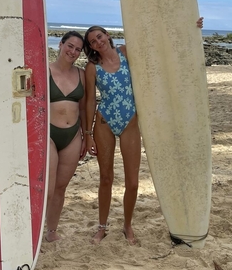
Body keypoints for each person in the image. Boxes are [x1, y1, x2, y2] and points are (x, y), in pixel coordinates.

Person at [84, 19, 203, 245]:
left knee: (133, 182)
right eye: (92, 42)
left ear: (107, 35)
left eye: (99, 37)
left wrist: (189, 26)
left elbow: (157, 45)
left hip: (130, 121)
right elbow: (90, 101)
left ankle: (127, 224)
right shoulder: (92, 67)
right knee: (106, 178)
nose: (97, 42)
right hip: (104, 122)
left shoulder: (126, 52)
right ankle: (102, 227)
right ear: (91, 47)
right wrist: (88, 133)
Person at [46, 31, 87, 242]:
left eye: (78, 49)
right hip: (49, 135)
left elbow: (86, 107)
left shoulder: (81, 74)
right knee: (48, 188)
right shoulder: (45, 70)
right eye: (70, 46)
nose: (73, 51)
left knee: (61, 187)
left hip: (73, 135)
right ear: (60, 44)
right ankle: (33, 231)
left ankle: (51, 232)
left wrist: (87, 136)